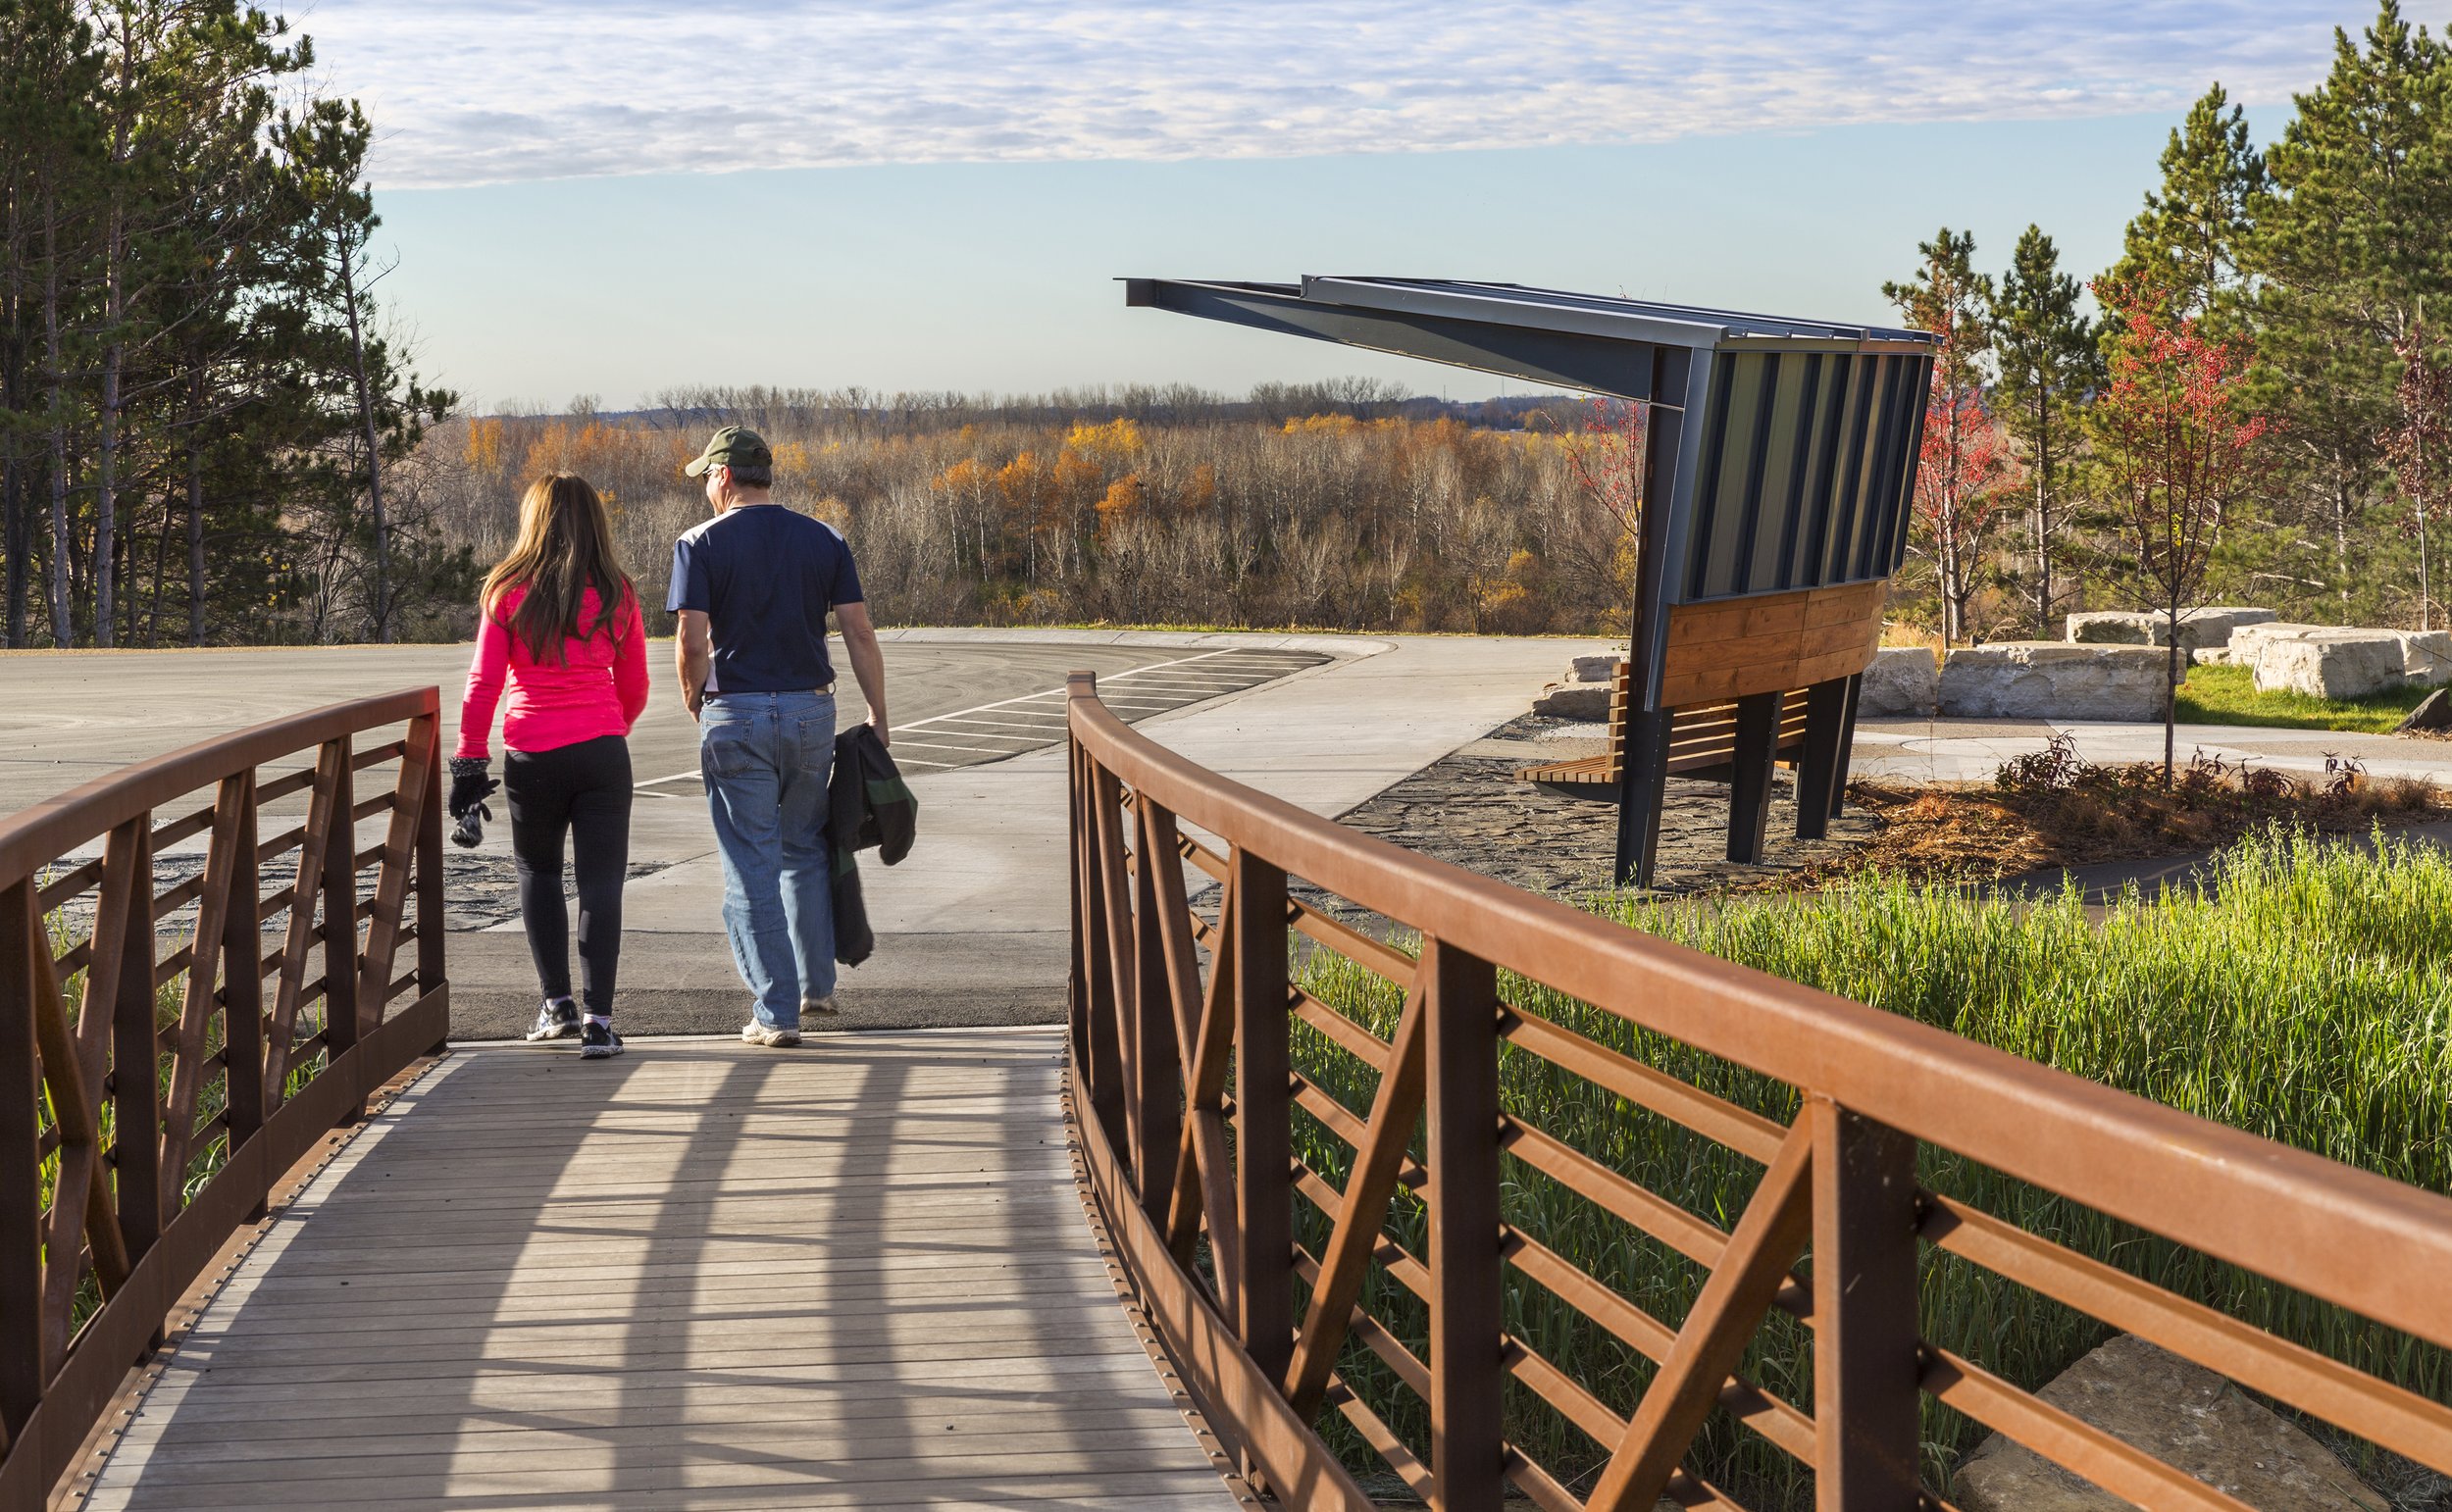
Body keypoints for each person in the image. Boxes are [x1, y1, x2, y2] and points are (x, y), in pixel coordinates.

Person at [669, 426, 890, 1048]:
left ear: (724, 477)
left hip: (735, 712)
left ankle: (775, 1010)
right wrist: (879, 713)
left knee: (750, 865)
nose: (707, 490)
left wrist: (696, 706)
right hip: (810, 715)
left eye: (707, 478)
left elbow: (691, 641)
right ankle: (818, 986)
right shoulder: (825, 538)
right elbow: (859, 630)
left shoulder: (698, 544)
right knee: (803, 848)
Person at [449, 474, 648, 1060]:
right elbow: (634, 685)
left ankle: (556, 1004)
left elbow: (483, 683)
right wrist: (609, 726)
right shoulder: (617, 591)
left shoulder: (507, 591)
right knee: (601, 884)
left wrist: (468, 757)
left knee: (538, 874)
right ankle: (600, 1020)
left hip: (532, 753)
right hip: (603, 752)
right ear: (595, 522)